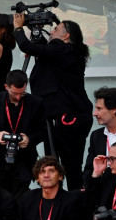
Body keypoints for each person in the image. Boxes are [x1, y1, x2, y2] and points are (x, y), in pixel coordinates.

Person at [14, 15, 93, 190]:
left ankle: (68, 203)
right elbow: (44, 50)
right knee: (70, 165)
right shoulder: (68, 52)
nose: (51, 31)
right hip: (71, 116)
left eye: (56, 30)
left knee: (65, 165)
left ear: (66, 36)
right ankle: (72, 202)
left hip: (68, 117)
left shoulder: (62, 49)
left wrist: (18, 28)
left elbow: (29, 47)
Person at [0, 69, 46, 198]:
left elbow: (44, 131)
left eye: (22, 93)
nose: (18, 97)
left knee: (20, 201)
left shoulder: (36, 103)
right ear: (6, 87)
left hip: (23, 161)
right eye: (15, 93)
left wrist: (29, 139)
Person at [82, 87, 116, 184]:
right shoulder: (96, 136)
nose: (94, 113)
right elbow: (89, 169)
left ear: (114, 109)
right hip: (103, 191)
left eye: (99, 109)